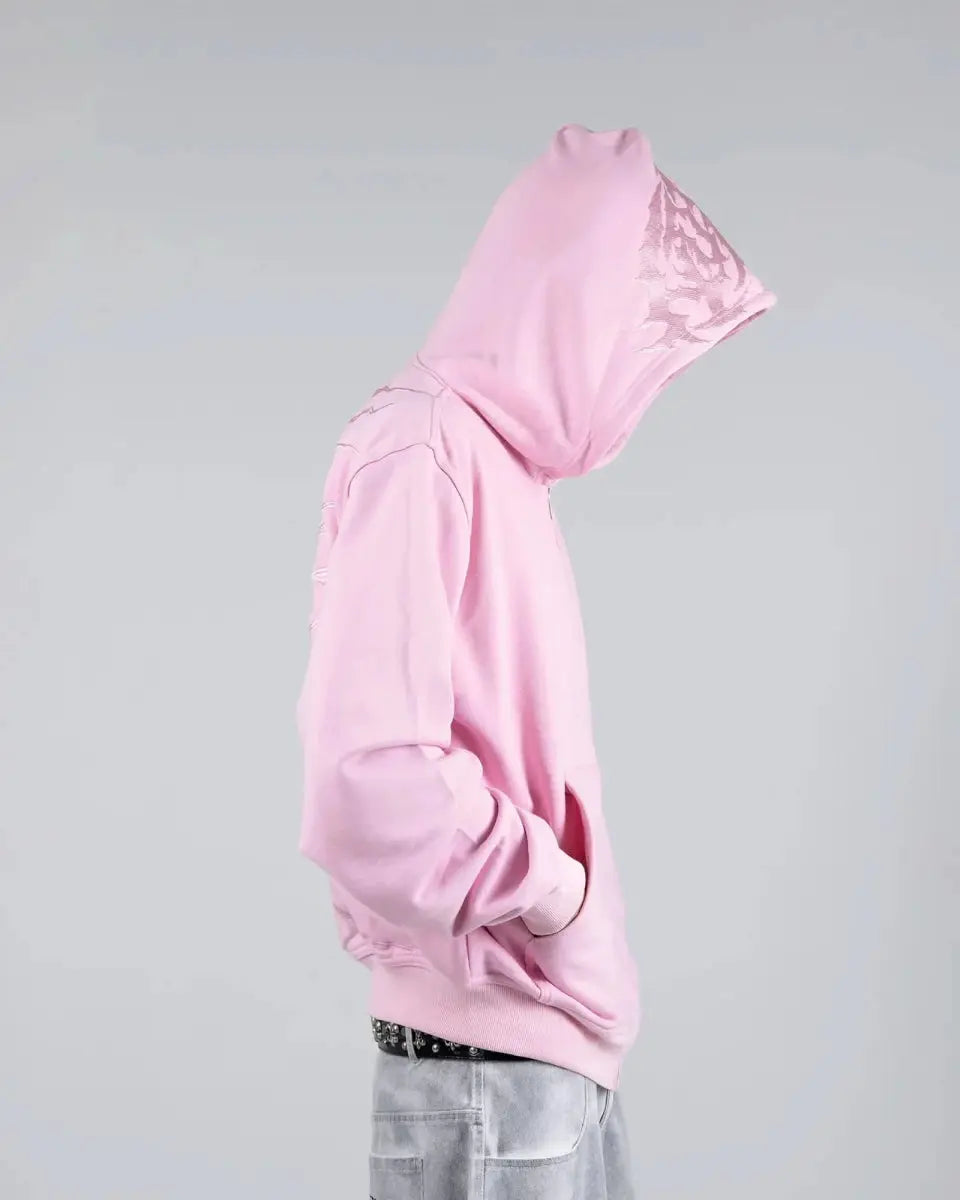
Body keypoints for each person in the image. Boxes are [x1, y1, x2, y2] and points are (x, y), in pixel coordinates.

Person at [296, 123, 776, 1199]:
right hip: (488, 1069)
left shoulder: (496, 465)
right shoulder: (422, 447)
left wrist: (564, 918)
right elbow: (366, 775)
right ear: (561, 299)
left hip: (540, 1062)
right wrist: (551, 892)